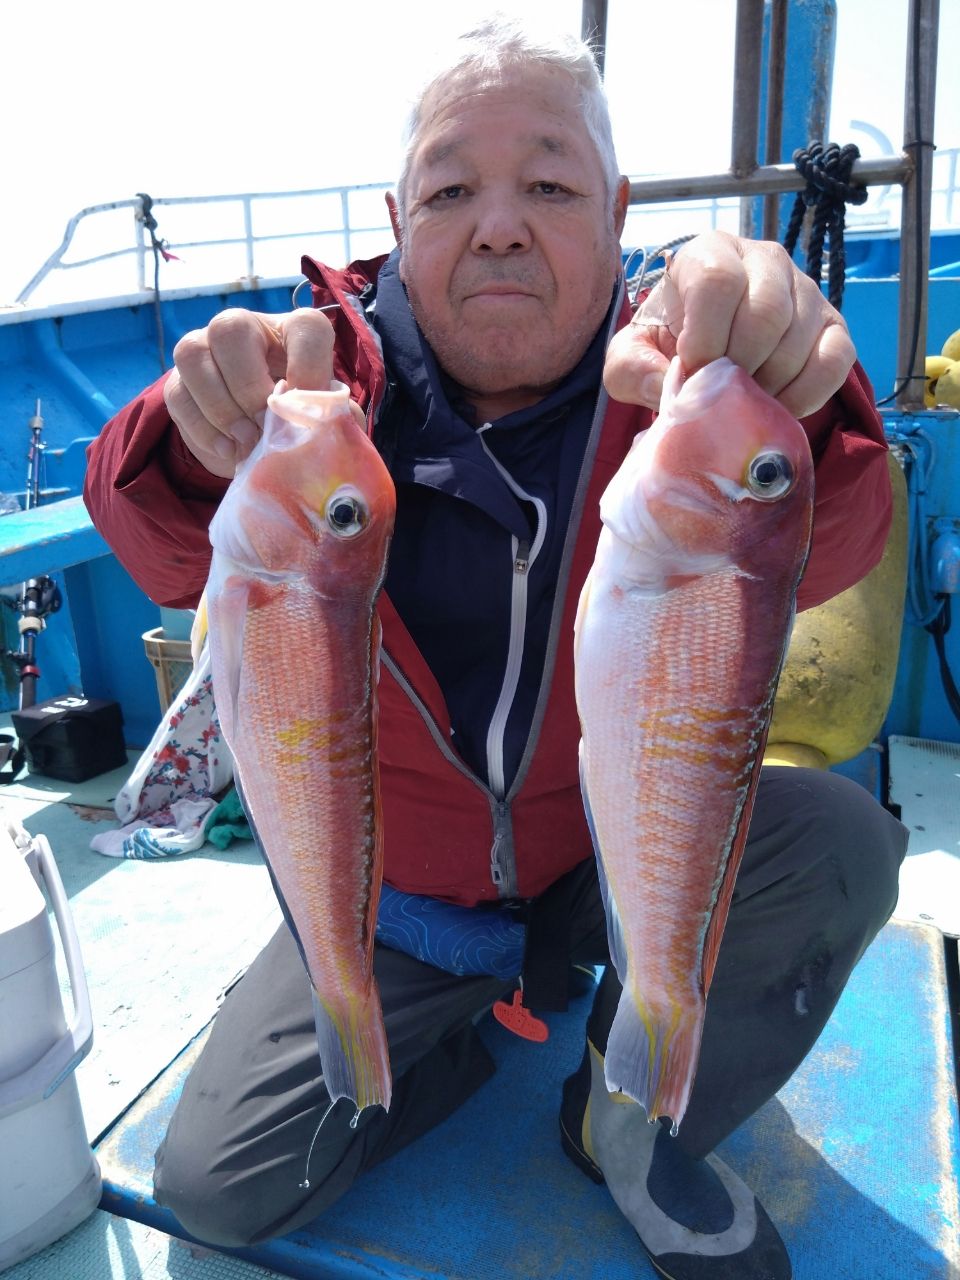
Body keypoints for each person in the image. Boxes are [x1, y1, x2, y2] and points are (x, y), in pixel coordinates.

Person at [84, 17, 907, 1280]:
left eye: (552, 184)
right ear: (395, 218)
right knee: (220, 1189)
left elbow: (831, 532)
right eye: (453, 187)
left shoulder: (679, 382)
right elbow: (158, 535)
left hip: (602, 855)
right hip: (401, 897)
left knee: (844, 843)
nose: (502, 222)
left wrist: (804, 401)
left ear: (620, 211)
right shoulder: (314, 405)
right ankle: (460, 1028)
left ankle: (625, 1120)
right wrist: (191, 444)